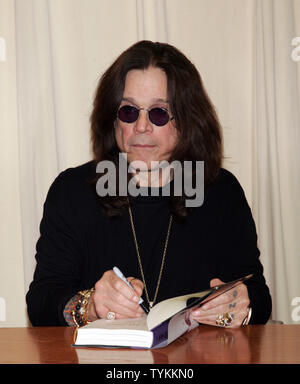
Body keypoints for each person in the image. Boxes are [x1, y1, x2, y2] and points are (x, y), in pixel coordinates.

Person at [26, 40, 272, 328]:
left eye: (158, 113)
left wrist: (240, 306)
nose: (141, 127)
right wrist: (89, 306)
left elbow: (258, 297)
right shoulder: (73, 191)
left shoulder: (220, 191)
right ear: (113, 119)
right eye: (129, 111)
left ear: (188, 119)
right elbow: (42, 303)